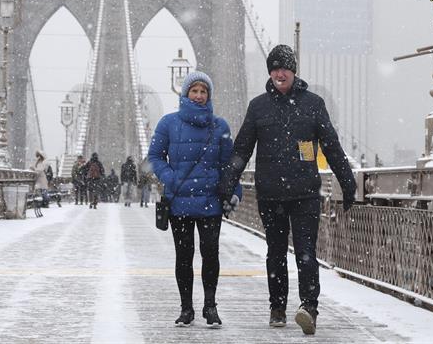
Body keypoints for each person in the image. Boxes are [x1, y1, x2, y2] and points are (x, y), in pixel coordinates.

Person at [218, 44, 357, 336]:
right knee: (276, 253)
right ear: (270, 72)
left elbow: (331, 146)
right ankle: (278, 307)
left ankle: (309, 308)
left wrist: (347, 181)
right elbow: (242, 149)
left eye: (285, 68)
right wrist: (227, 183)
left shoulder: (313, 104)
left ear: (293, 71)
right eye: (275, 68)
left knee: (306, 252)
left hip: (305, 193)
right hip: (270, 194)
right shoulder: (258, 107)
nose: (280, 73)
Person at [148, 71, 242, 327]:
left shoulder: (219, 126)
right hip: (179, 201)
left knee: (211, 254)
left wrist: (235, 192)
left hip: (210, 201)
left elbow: (229, 165)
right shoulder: (168, 123)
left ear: (208, 95)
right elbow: (155, 156)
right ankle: (186, 308)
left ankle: (210, 307)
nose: (199, 96)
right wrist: (171, 178)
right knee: (184, 255)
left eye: (204, 92)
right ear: (185, 93)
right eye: (195, 91)